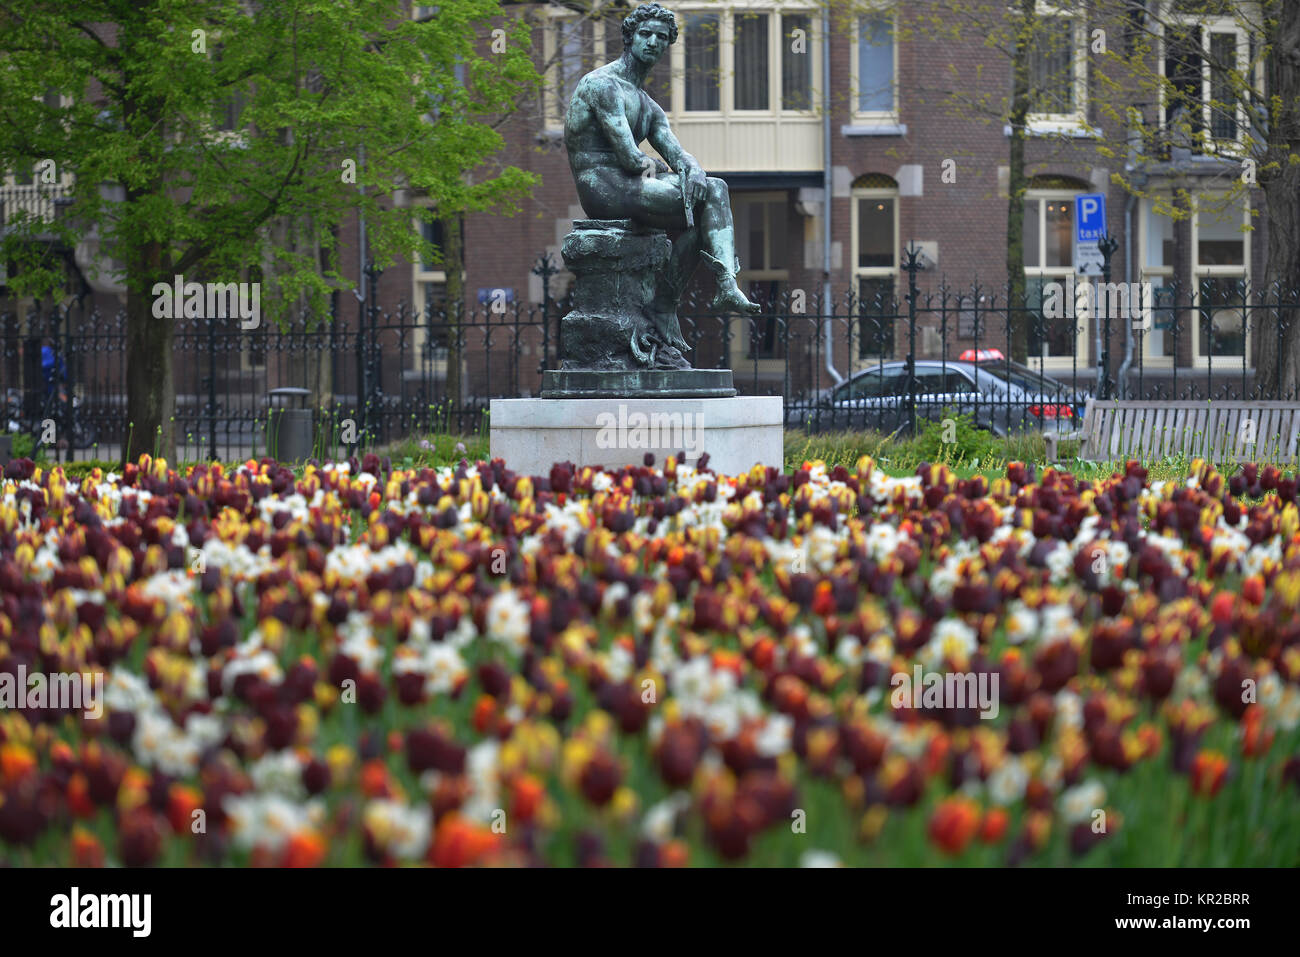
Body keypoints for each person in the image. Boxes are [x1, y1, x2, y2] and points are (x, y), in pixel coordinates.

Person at [565, 2, 760, 323]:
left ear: (667, 45)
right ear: (629, 38)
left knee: (713, 190)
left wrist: (693, 169)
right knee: (703, 199)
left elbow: (677, 152)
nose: (653, 42)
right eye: (645, 34)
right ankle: (674, 303)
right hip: (602, 187)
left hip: (634, 183)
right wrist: (674, 173)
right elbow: (629, 157)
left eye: (661, 37)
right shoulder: (601, 85)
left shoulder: (648, 105)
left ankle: (712, 288)